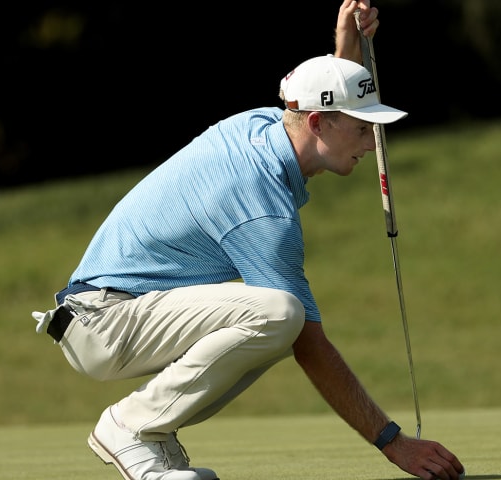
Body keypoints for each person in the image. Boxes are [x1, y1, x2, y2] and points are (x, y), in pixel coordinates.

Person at [31, 1, 465, 479]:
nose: (371, 143)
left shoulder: (267, 125)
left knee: (276, 317)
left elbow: (315, 110)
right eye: (364, 130)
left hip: (116, 313)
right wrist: (394, 443)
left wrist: (347, 49)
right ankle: (130, 429)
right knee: (281, 315)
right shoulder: (258, 201)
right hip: (106, 323)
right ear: (321, 124)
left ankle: (151, 437)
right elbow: (310, 346)